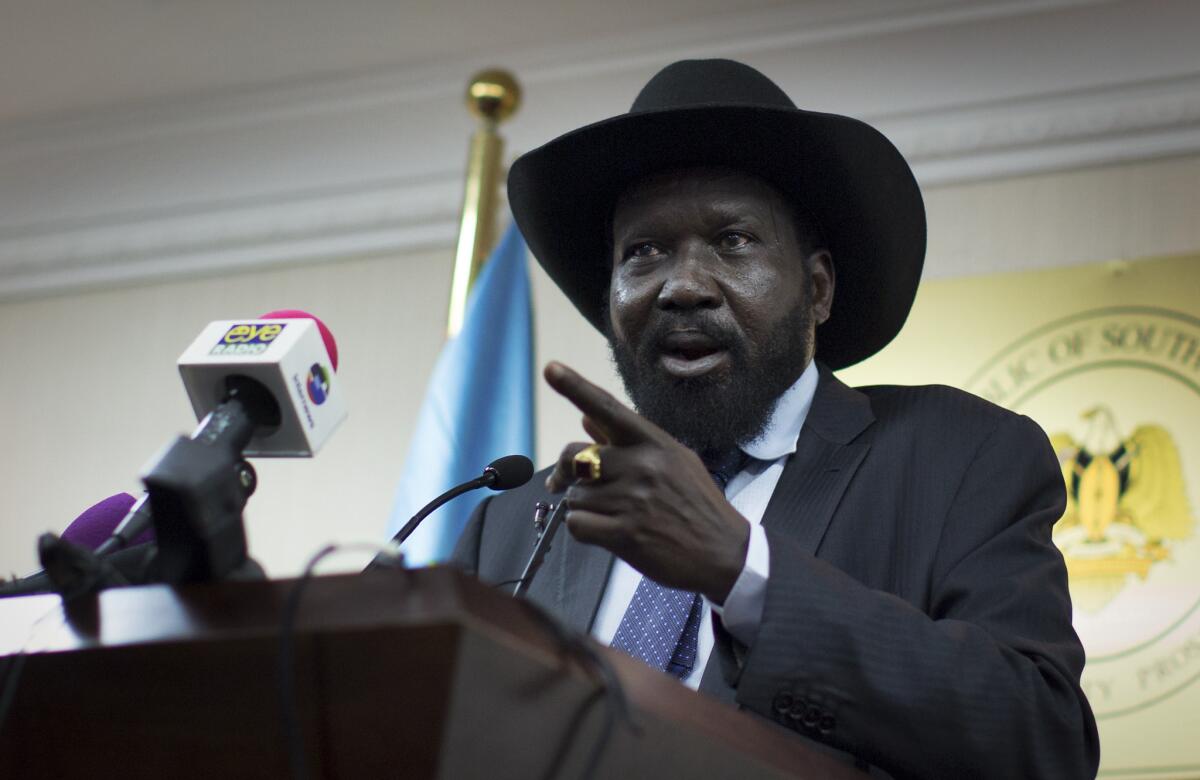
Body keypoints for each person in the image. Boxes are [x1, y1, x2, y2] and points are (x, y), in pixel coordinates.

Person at [451, 59, 1100, 779]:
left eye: (732, 241)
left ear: (816, 289)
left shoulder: (959, 458)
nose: (683, 286)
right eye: (644, 252)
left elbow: (1043, 739)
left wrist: (741, 568)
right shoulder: (514, 523)